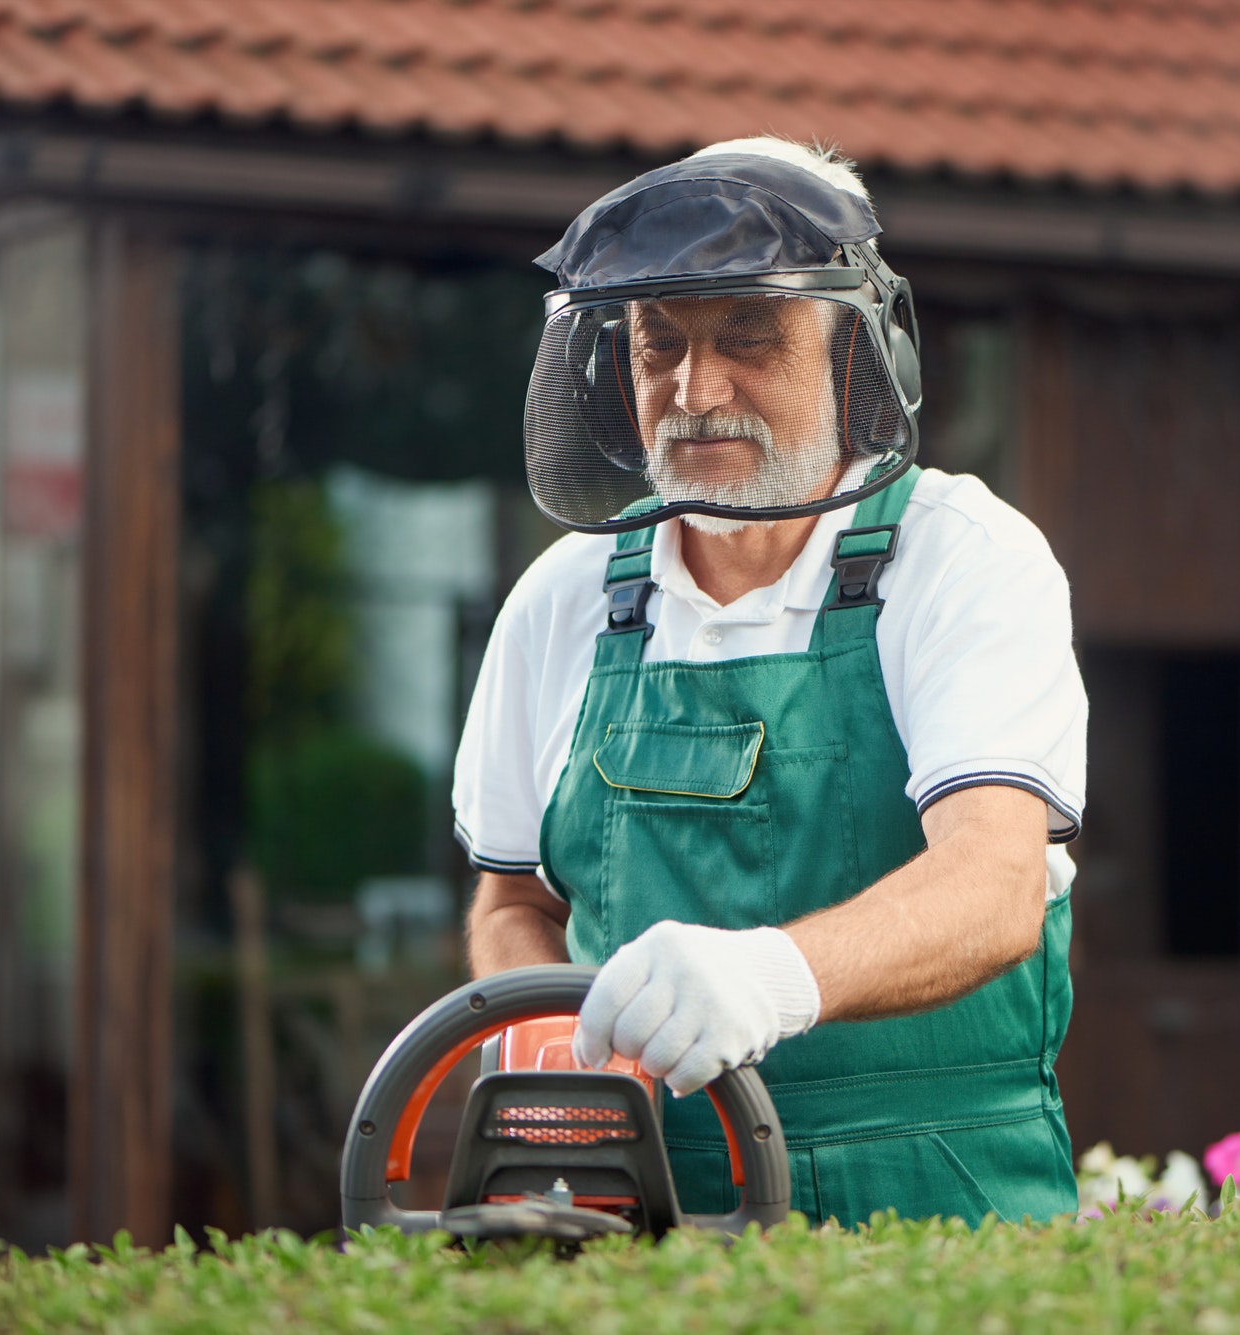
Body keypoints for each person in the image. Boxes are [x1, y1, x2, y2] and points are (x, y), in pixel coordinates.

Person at [453, 136, 1087, 1225]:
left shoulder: (959, 557)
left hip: (942, 1208)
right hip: (638, 1214)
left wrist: (767, 980)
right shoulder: (562, 602)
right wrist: (556, 1040)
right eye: (658, 345)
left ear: (853, 351)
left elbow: (993, 888)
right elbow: (512, 900)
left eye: (748, 335)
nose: (695, 390)